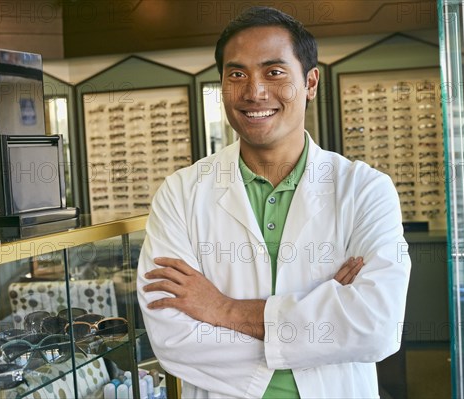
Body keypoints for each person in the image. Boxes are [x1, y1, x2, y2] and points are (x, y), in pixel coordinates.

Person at [137, 6, 411, 398]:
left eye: (274, 71)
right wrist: (321, 314)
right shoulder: (181, 193)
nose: (254, 92)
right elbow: (172, 339)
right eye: (236, 74)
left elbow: (377, 326)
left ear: (311, 82)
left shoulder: (364, 189)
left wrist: (223, 310)